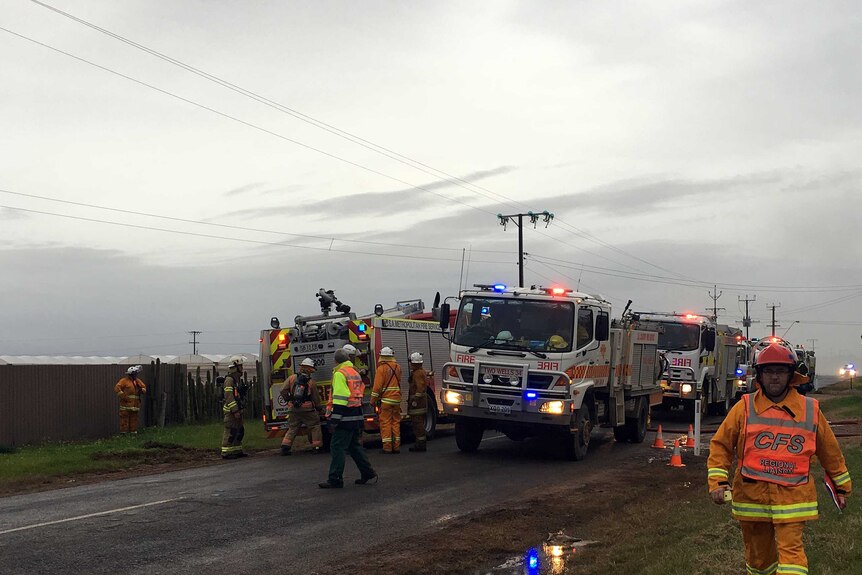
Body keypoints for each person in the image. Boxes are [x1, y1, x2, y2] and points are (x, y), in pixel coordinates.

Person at [707, 342, 852, 575]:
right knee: (759, 562)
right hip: (752, 499)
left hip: (792, 500)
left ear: (791, 375)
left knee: (792, 559)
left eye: (781, 371)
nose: (775, 377)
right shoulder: (744, 408)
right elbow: (721, 445)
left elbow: (830, 452)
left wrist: (842, 487)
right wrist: (718, 483)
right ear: (760, 375)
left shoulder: (810, 409)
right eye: (769, 371)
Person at [319, 349, 376, 488]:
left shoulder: (340, 374)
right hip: (356, 414)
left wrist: (334, 421)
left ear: (336, 361)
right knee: (354, 446)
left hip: (345, 416)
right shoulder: (354, 372)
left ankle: (335, 478)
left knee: (337, 446)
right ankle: (367, 472)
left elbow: (340, 398)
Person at [280, 357, 324, 456]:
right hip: (308, 410)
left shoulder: (291, 378)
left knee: (292, 427)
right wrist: (319, 409)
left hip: (293, 409)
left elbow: (282, 390)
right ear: (310, 369)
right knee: (314, 426)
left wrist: (288, 400)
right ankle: (316, 447)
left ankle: (285, 447)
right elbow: (316, 398)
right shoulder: (311, 382)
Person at [371, 346, 402, 454]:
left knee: (386, 423)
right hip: (397, 399)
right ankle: (396, 446)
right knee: (396, 422)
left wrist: (373, 400)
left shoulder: (381, 369)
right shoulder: (398, 367)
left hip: (386, 401)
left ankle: (387, 447)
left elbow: (377, 387)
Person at [221, 355, 248, 460]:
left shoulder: (236, 380)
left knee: (240, 431)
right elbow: (229, 396)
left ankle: (237, 450)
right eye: (241, 366)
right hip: (231, 412)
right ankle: (226, 452)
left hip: (238, 411)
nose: (242, 368)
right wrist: (235, 410)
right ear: (236, 367)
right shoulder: (229, 380)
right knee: (231, 432)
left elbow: (237, 395)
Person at [115, 365, 147, 434]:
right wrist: (123, 396)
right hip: (125, 406)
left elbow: (144, 388)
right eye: (134, 374)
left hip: (135, 406)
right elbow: (117, 388)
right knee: (124, 421)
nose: (136, 375)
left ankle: (133, 433)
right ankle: (124, 434)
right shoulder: (124, 381)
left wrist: (142, 390)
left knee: (134, 420)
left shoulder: (137, 381)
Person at [407, 352, 429, 452]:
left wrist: (414, 400)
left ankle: (420, 444)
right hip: (420, 403)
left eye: (411, 362)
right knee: (417, 423)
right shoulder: (420, 372)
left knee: (418, 423)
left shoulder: (417, 374)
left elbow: (420, 389)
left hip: (418, 404)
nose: (410, 364)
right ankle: (420, 443)